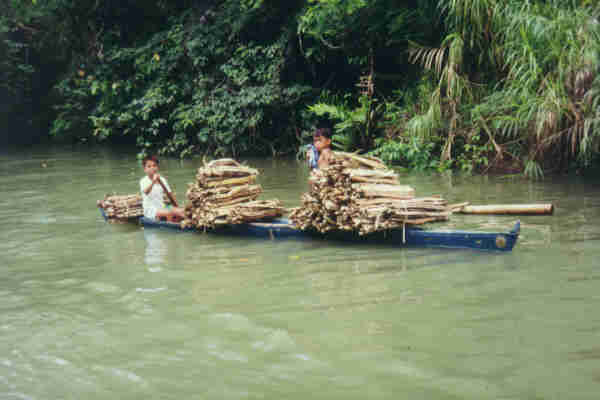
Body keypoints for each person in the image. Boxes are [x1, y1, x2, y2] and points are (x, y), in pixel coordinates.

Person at [139, 155, 185, 222]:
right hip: (150, 210)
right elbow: (146, 192)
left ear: (157, 167)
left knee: (182, 211)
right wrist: (153, 182)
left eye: (154, 166)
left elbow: (170, 194)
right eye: (149, 166)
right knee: (170, 213)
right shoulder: (143, 181)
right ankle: (170, 227)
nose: (152, 168)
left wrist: (177, 206)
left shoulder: (162, 180)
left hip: (161, 207)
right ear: (145, 169)